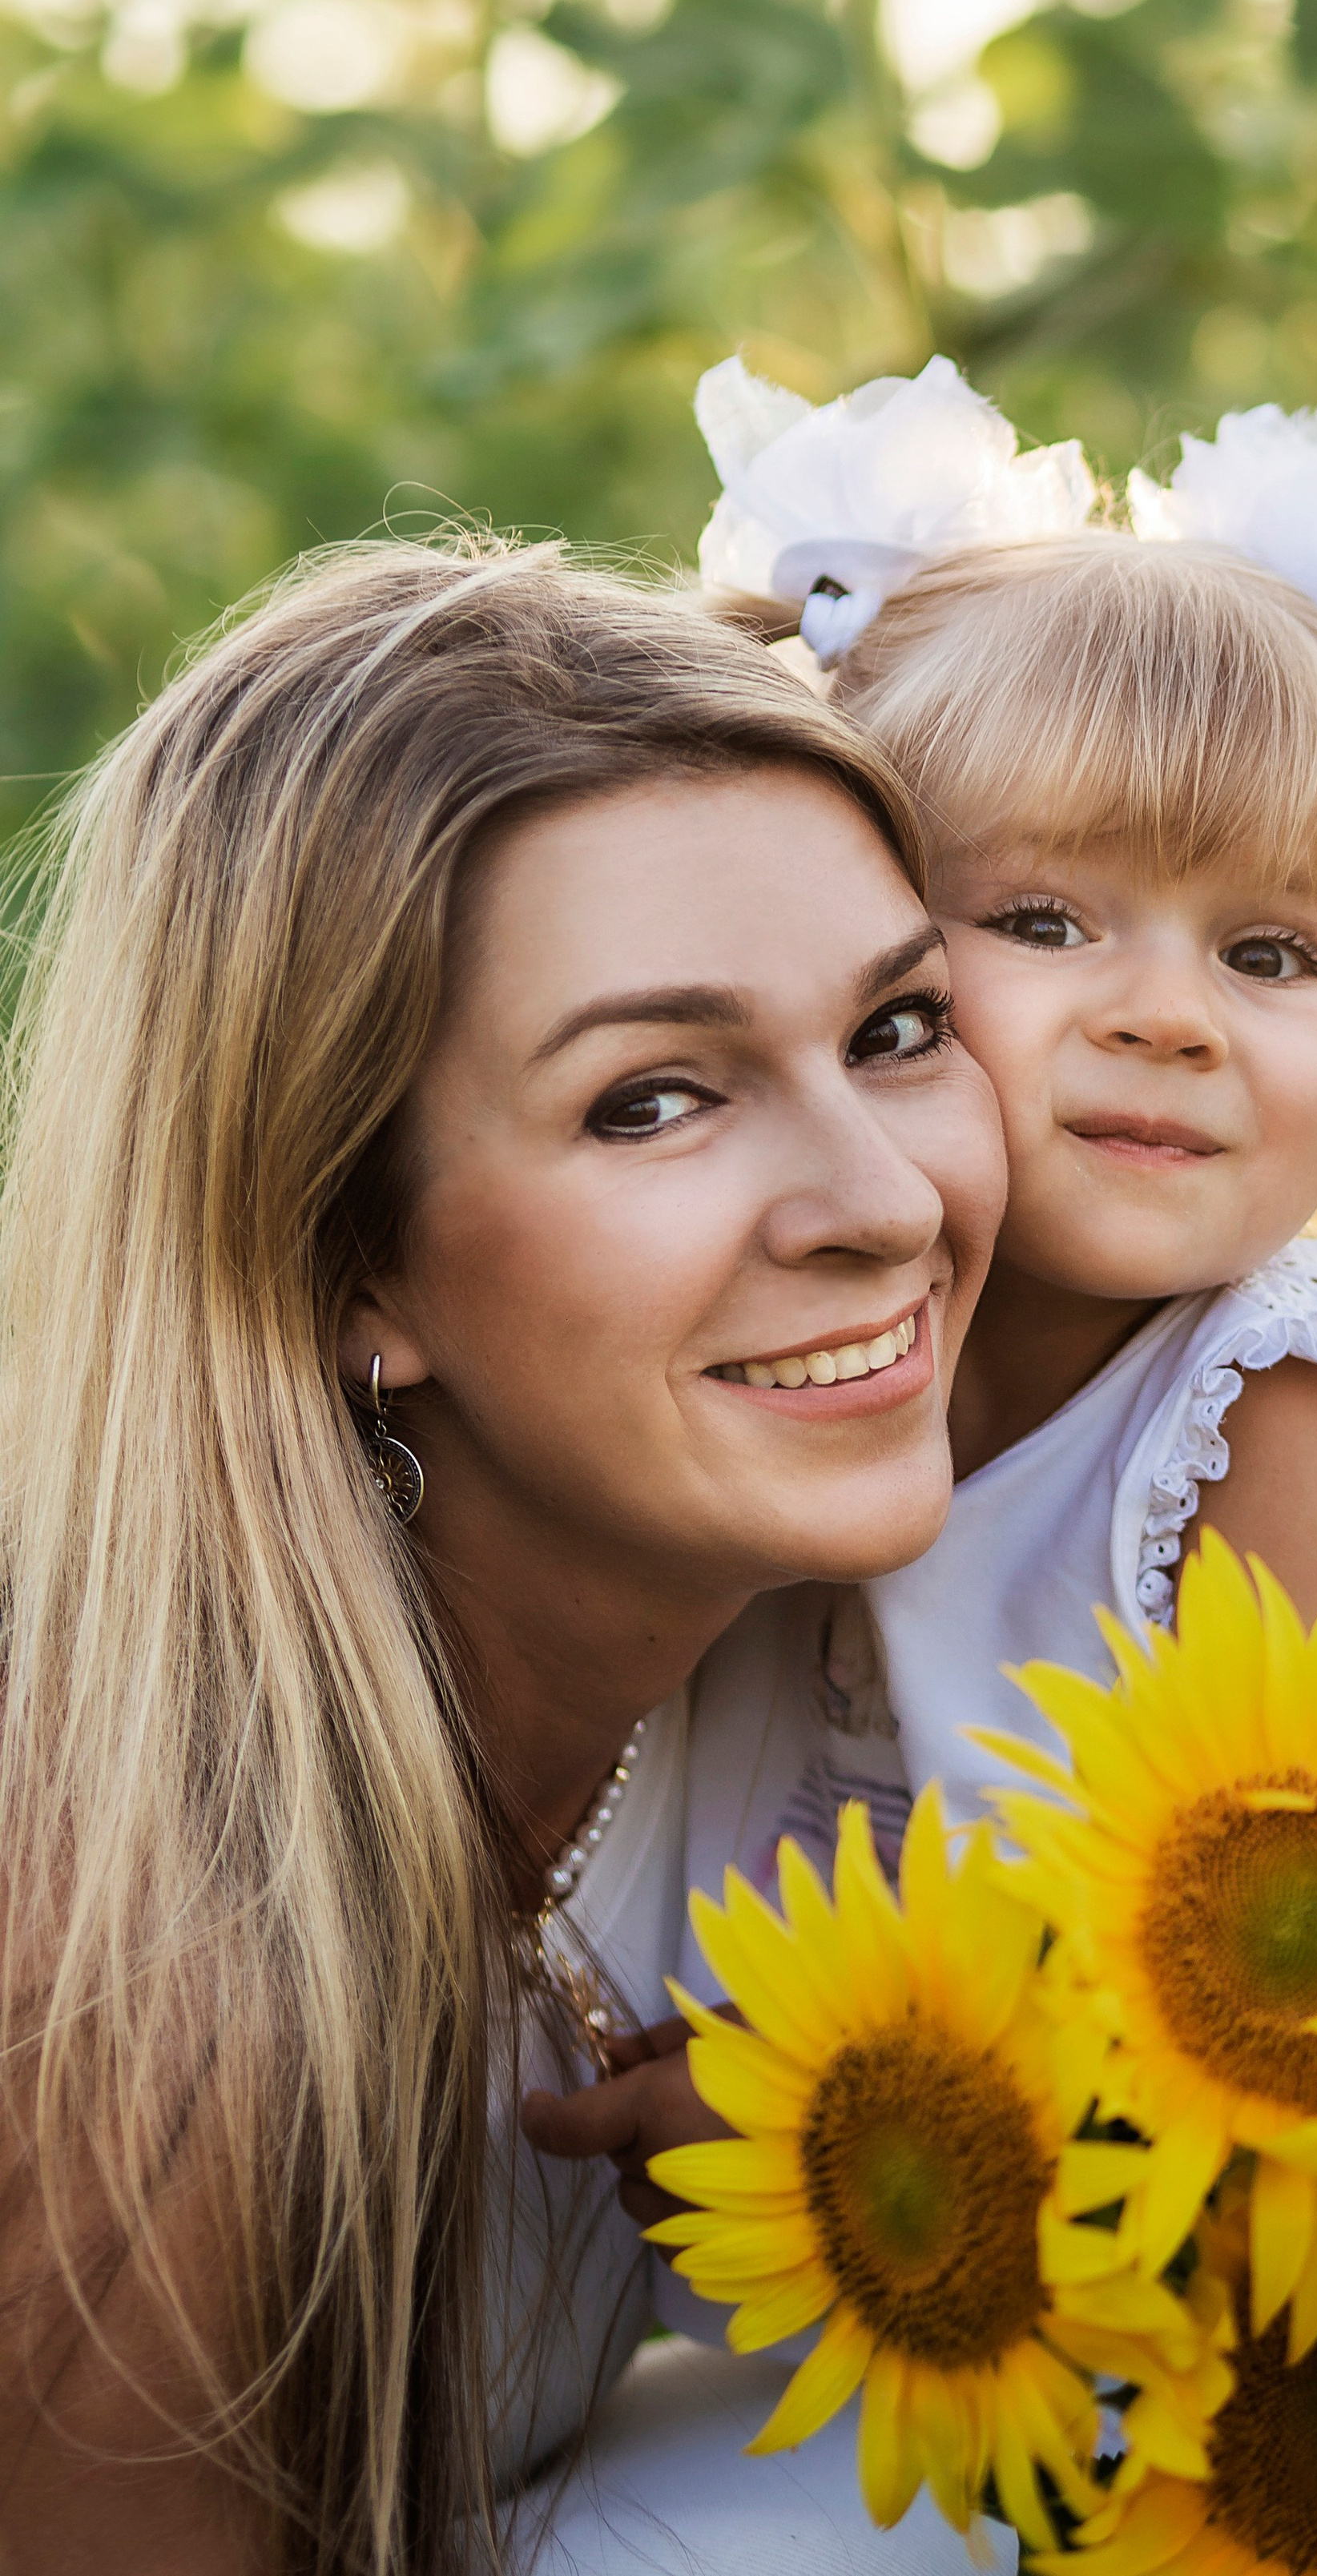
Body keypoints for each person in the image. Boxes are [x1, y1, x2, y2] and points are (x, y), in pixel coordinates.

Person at [0, 534, 1008, 2574]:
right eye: (652, 1100)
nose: (882, 1198)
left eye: (899, 1026)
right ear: (343, 1266)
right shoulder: (127, 1987)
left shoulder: (908, 1640)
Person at [543, 359, 1317, 2270]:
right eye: (1044, 922)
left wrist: (828, 2104)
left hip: (1271, 2332)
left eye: (1268, 952)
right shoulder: (818, 1358)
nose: (1167, 1013)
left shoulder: (1273, 1419)